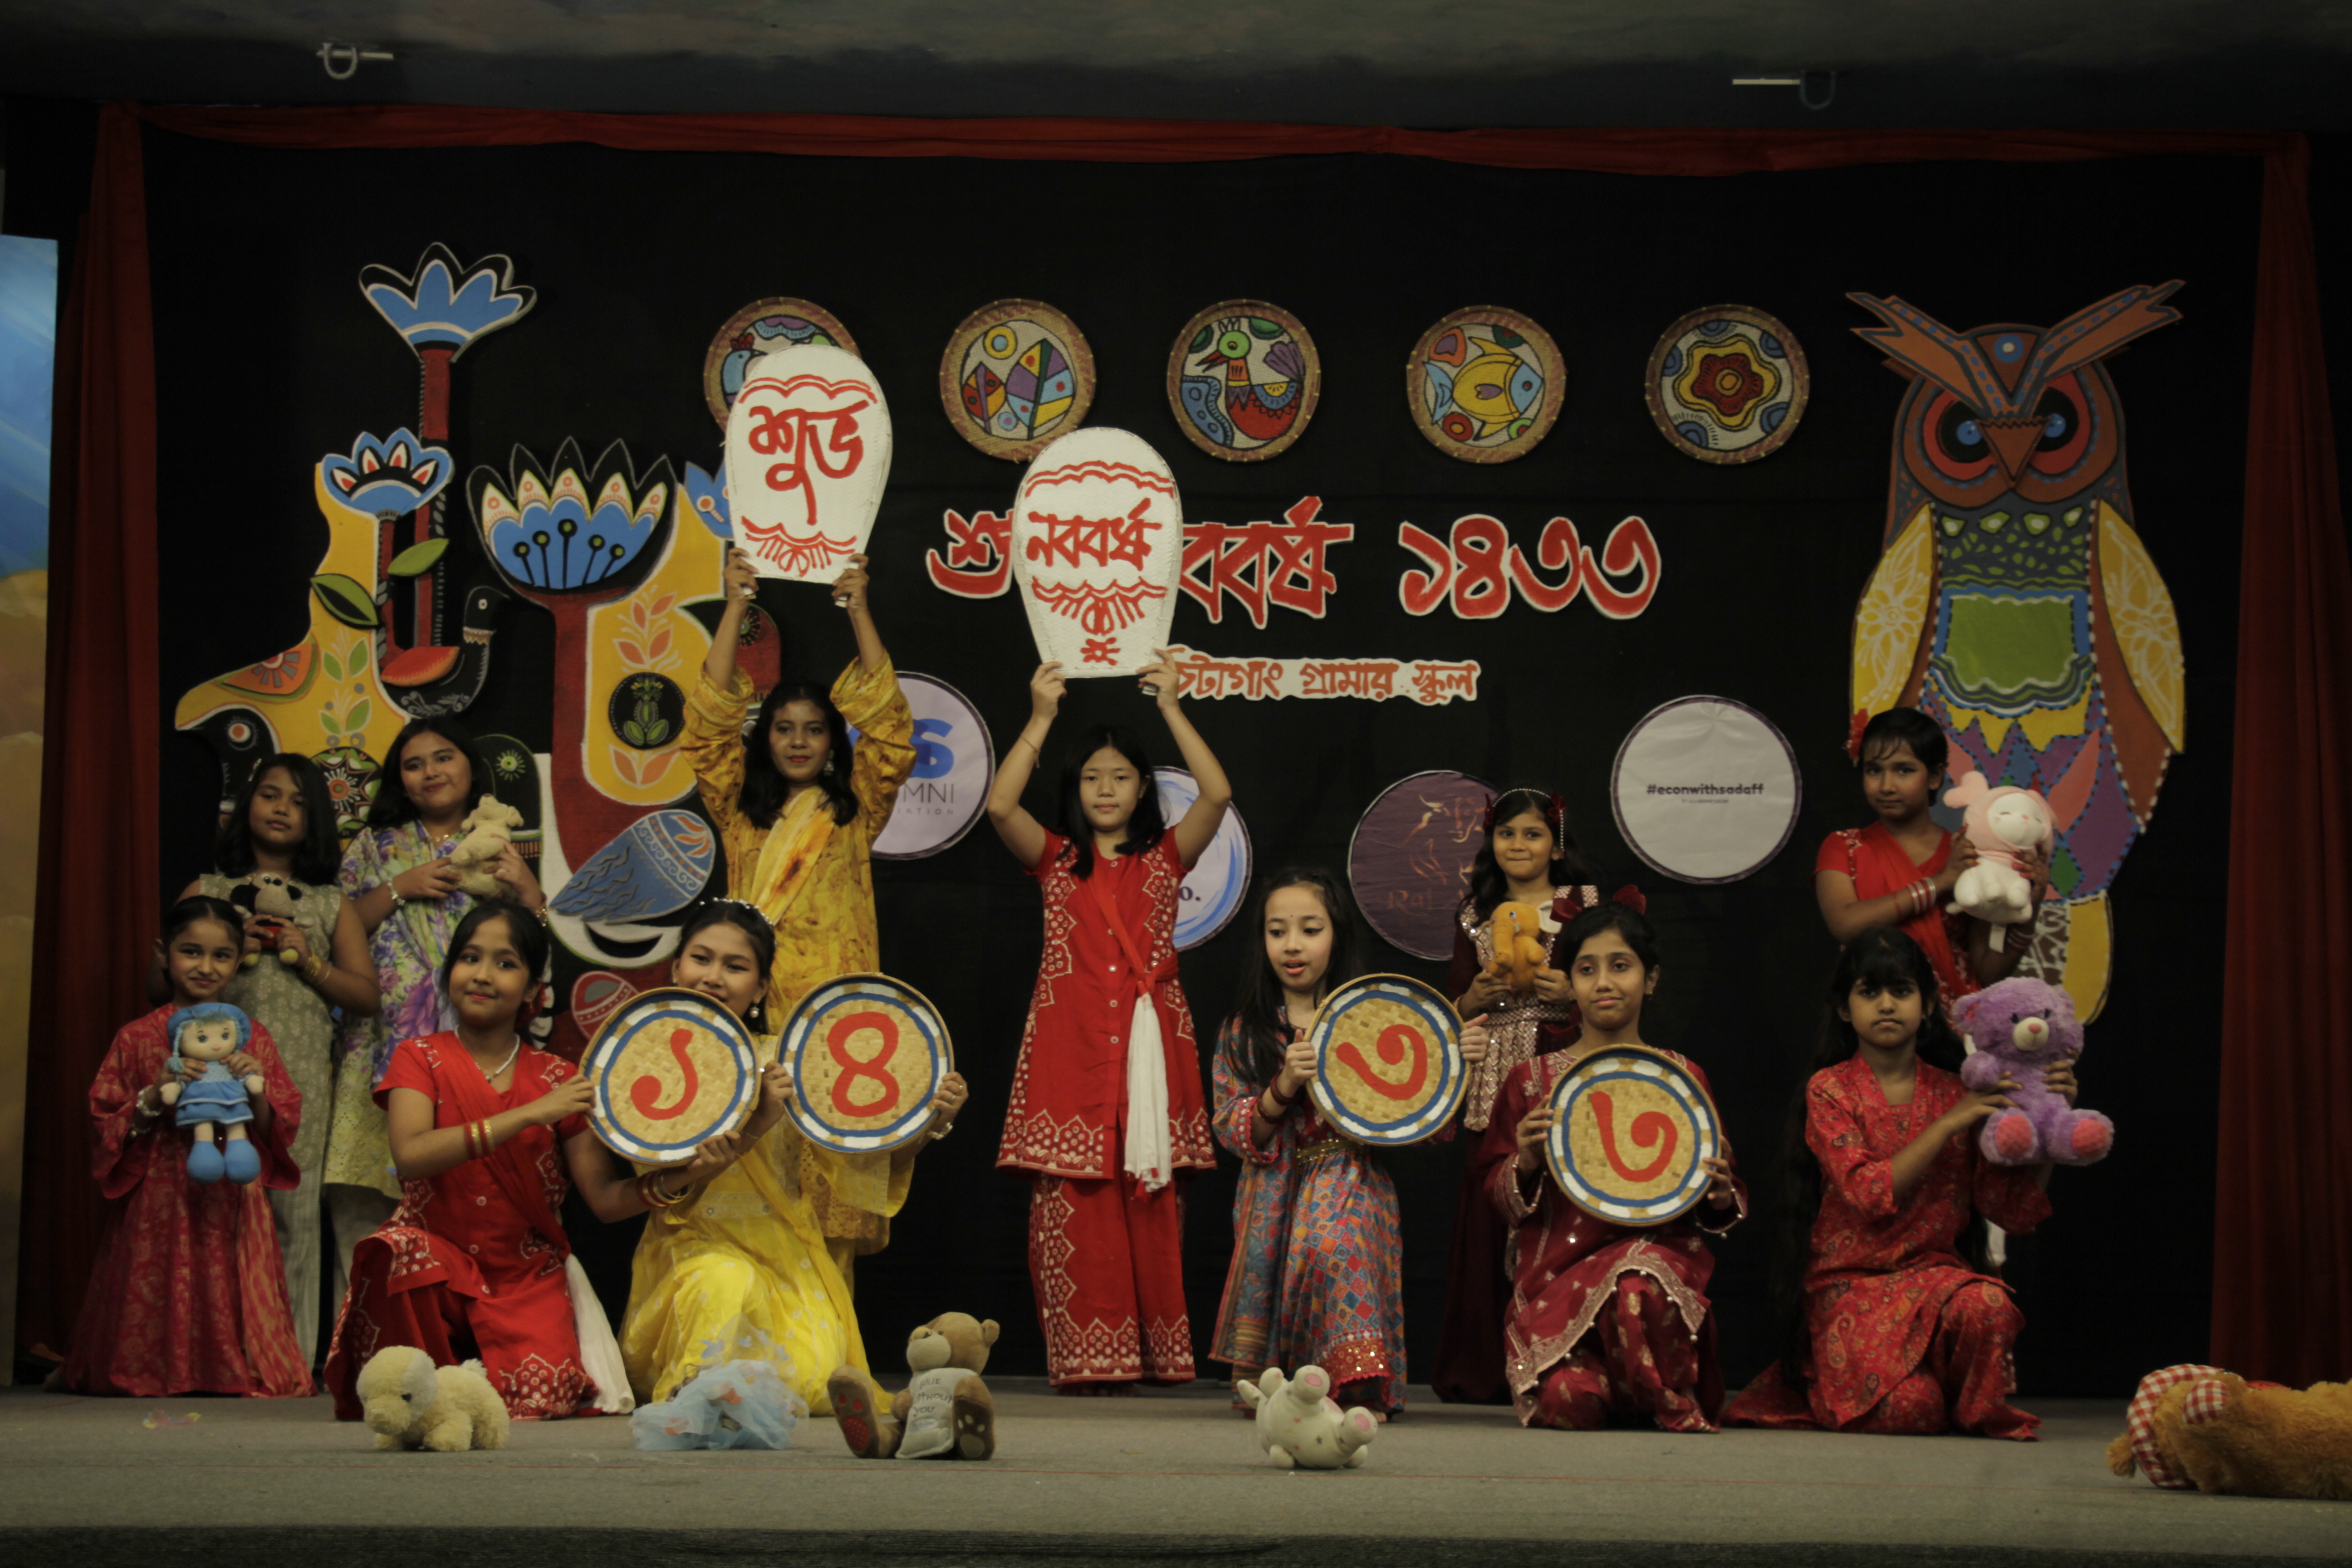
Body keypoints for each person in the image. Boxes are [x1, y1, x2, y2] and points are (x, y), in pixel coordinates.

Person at [322, 902, 715, 1421]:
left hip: (522, 1275)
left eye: (506, 964)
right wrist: (531, 1114)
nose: (483, 975)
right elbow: (412, 1156)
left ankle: (464, 1382)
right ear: (451, 971)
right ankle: (428, 1385)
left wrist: (689, 1175)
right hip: (435, 1265)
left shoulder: (559, 1078)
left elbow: (603, 1201)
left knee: (539, 1397)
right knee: (400, 1252)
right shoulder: (420, 1057)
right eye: (470, 958)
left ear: (533, 990)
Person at [986, 653, 1232, 1392]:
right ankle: (1089, 1359)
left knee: (1149, 1200)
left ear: (1141, 790)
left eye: (1120, 777)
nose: (1104, 788)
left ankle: (1155, 1356)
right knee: (1076, 1199)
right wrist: (1038, 718)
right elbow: (1000, 808)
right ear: (1073, 786)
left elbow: (1217, 794)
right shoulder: (1056, 860)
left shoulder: (1162, 860)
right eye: (1091, 776)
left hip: (1149, 1057)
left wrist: (1172, 709)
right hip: (1070, 1059)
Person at [619, 900, 969, 1411]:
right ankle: (697, 1399)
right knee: (723, 1283)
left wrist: (932, 1121)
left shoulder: (792, 1061)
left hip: (788, 1256)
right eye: (701, 959)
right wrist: (754, 1127)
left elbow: (861, 1165)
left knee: (812, 1381)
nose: (714, 977)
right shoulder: (646, 1058)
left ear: (761, 988)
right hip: (693, 1250)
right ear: (676, 967)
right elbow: (656, 1179)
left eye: (735, 967)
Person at [1725, 926, 2064, 1440]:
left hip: (1935, 1279)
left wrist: (2051, 1124)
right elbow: (1869, 1193)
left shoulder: (1957, 1092)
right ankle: (1905, 1388)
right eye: (1870, 991)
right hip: (1853, 1286)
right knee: (1911, 1411)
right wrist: (1950, 1124)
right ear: (1845, 1009)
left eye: (1901, 991)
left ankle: (1967, 1405)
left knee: (1989, 1305)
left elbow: (2009, 1206)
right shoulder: (1831, 1090)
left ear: (1928, 1005)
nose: (1887, 1005)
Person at [682, 544, 917, 1278]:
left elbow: (891, 732)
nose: (796, 741)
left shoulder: (856, 810)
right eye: (782, 728)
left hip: (836, 1023)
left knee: (832, 1189)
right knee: (750, 1184)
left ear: (830, 742)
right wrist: (733, 608)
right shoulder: (737, 808)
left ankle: (831, 1344)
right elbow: (704, 728)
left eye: (813, 729)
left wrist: (859, 608)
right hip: (753, 1014)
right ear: (765, 737)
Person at [1210, 868, 1488, 1420]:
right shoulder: (1245, 1030)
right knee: (1310, 1244)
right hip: (1272, 1192)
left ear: (1336, 934)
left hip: (1349, 1173)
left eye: (1310, 929)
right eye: (1277, 931)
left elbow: (1419, 1121)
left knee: (1333, 1242)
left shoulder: (1369, 1016)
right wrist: (1283, 1086)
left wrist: (1455, 1061)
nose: (1292, 945)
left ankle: (1355, 1387)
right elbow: (1232, 1130)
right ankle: (1288, 1387)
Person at [150, 754, 380, 1368]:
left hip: (298, 1078)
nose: (281, 809)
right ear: (245, 805)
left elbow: (366, 996)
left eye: (299, 802)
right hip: (207, 1077)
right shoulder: (208, 892)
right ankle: (206, 1353)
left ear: (318, 823)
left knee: (291, 1214)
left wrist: (309, 961)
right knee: (206, 1205)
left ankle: (289, 1357)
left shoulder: (333, 904)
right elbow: (156, 982)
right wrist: (226, 952)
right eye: (270, 795)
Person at [1479, 900, 1744, 1432]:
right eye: (1587, 968)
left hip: (1654, 1282)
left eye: (1621, 966)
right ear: (1569, 983)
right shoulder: (1532, 1081)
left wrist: (1718, 1193)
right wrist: (1527, 1160)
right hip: (1560, 1285)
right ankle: (1612, 1381)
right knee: (1569, 1404)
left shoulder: (1681, 1078)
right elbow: (1500, 1199)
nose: (1604, 982)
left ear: (1651, 980)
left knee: (1636, 1279)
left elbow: (1722, 1195)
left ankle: (1659, 1388)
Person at [323, 720, 543, 1311]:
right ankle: (365, 1335)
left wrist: (528, 890)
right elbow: (334, 932)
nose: (431, 772)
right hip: (381, 1047)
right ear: (401, 780)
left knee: (466, 1190)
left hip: (470, 1051)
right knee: (367, 1199)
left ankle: (466, 1330)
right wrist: (400, 887)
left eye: (443, 758)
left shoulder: (499, 844)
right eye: (414, 764)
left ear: (470, 768)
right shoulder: (374, 846)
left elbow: (538, 943)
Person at [60, 897, 309, 1396]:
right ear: (163, 953)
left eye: (221, 956)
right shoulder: (136, 1038)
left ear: (238, 963)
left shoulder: (251, 1037)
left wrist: (255, 1082)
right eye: (191, 952)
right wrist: (153, 1095)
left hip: (231, 1192)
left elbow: (275, 1128)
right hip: (160, 1189)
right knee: (163, 1273)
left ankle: (226, 1369)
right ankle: (155, 1369)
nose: (205, 966)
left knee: (225, 1277)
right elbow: (106, 1119)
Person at [1435, 786, 1607, 1403]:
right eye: (1507, 834)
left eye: (1533, 834)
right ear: (1491, 843)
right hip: (1491, 1074)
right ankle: (1484, 1367)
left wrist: (1574, 991)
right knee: (1493, 1206)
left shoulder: (1584, 906)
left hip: (1557, 1061)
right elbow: (1449, 1008)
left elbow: (1612, 982)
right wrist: (1468, 1003)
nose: (1518, 845)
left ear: (1557, 845)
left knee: (1560, 1208)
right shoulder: (1474, 913)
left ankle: (1561, 1355)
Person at [1816, 707, 2044, 1007]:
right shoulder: (1843, 847)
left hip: (1952, 1033)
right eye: (1874, 770)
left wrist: (2031, 908)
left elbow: (1987, 975)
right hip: (1876, 1026)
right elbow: (1845, 925)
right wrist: (1939, 884)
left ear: (1935, 776)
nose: (1886, 785)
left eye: (1904, 770)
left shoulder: (1967, 853)